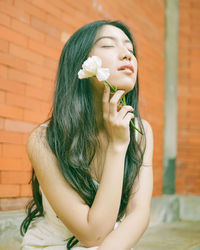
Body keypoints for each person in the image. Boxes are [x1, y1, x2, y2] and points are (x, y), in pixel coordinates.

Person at [20, 20, 153, 250]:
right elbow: (92, 234)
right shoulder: (44, 141)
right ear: (80, 62)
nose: (126, 55)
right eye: (109, 45)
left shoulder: (142, 132)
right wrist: (117, 146)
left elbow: (138, 213)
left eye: (130, 49)